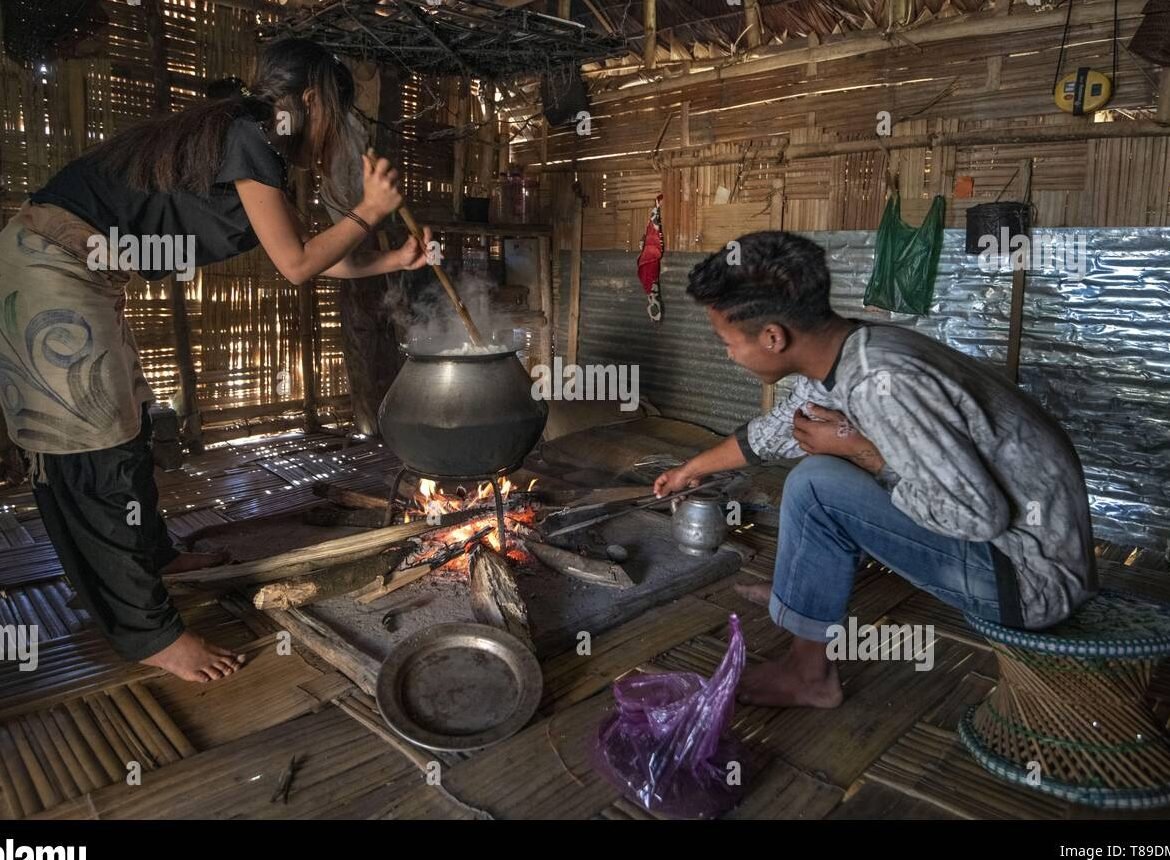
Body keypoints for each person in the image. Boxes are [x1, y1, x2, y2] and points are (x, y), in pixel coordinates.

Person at [0, 38, 432, 683]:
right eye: (336, 112)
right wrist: (369, 212)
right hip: (49, 273)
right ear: (311, 98)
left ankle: (156, 561)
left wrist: (391, 258)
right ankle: (149, 634)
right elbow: (296, 267)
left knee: (128, 428)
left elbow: (308, 252)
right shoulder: (248, 135)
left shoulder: (248, 142)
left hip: (74, 273)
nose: (335, 131)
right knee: (91, 449)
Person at [653, 231, 1096, 709]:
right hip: (1029, 552)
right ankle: (800, 594)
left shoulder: (880, 385)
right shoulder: (854, 348)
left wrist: (863, 452)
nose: (728, 354)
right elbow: (783, 428)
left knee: (816, 484)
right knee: (822, 455)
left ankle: (809, 675)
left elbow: (976, 515)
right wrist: (690, 470)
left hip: (1030, 580)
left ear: (773, 337)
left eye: (728, 342)